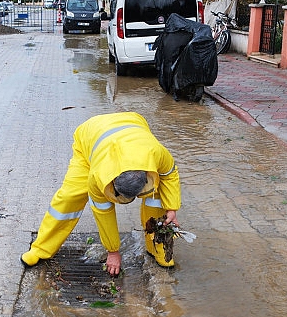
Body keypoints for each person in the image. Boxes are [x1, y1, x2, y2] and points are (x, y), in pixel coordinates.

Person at [21, 112, 181, 274]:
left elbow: (170, 175)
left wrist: (172, 208)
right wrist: (112, 251)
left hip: (133, 123)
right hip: (89, 136)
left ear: (145, 175)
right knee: (70, 197)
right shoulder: (98, 175)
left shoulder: (156, 154)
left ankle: (157, 246)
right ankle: (41, 249)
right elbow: (103, 213)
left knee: (158, 196)